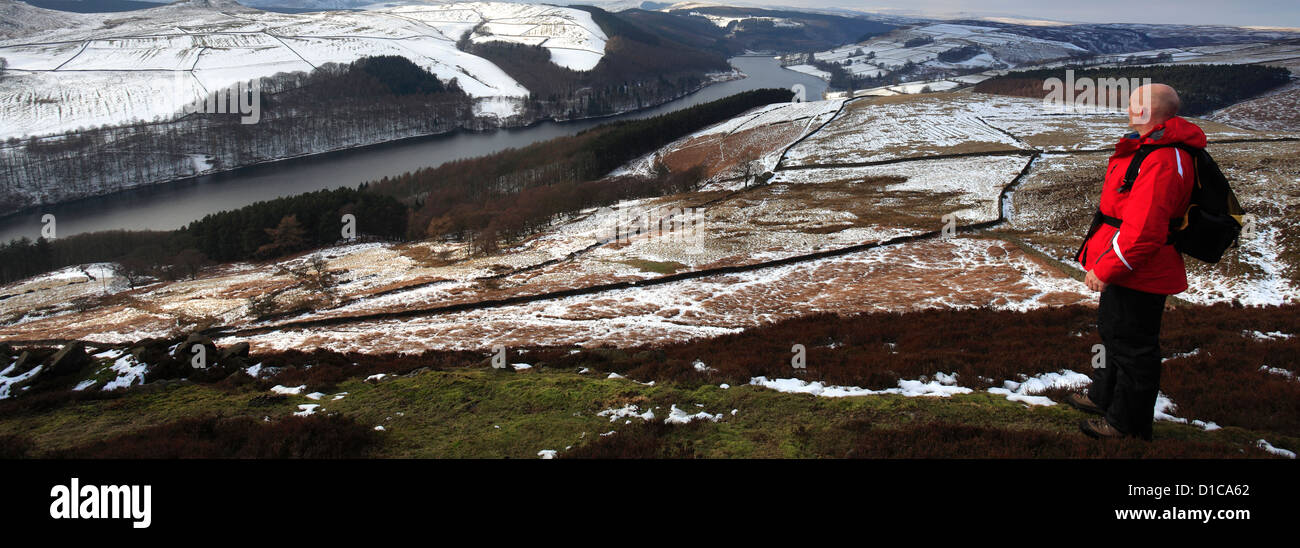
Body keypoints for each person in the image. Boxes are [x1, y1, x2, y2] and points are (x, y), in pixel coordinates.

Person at [1069, 83, 1203, 441]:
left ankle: (1127, 424)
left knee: (1134, 348)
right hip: (1130, 267)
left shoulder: (1161, 159)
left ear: (1145, 111)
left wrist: (1106, 268)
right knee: (1114, 334)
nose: (1128, 109)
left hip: (1140, 270)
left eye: (1133, 104)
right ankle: (1103, 398)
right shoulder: (1152, 149)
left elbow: (1144, 231)